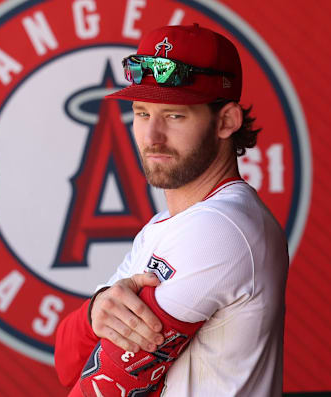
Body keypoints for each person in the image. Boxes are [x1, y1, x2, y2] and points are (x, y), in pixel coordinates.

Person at [53, 24, 288, 397]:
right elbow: (67, 360)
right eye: (142, 113)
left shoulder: (220, 229)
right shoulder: (163, 227)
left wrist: (99, 322)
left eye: (175, 116)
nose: (151, 137)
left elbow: (102, 387)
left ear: (226, 121)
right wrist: (96, 310)